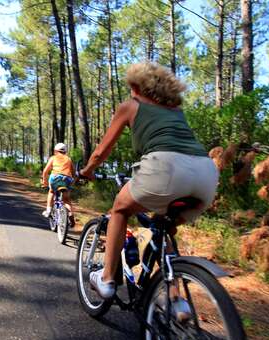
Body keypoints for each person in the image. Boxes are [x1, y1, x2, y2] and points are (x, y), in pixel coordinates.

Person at [80, 62, 219, 301]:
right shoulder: (176, 111)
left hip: (165, 169)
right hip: (206, 174)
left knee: (120, 209)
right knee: (163, 226)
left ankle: (106, 280)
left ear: (136, 86)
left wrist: (87, 171)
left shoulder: (130, 106)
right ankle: (177, 300)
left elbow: (100, 153)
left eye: (131, 87)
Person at [41, 143, 76, 227]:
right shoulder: (69, 159)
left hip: (55, 178)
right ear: (65, 151)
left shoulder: (53, 158)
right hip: (67, 179)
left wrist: (44, 182)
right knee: (66, 200)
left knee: (52, 192)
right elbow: (74, 172)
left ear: (55, 151)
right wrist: (72, 182)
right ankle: (70, 214)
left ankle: (48, 210)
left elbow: (45, 171)